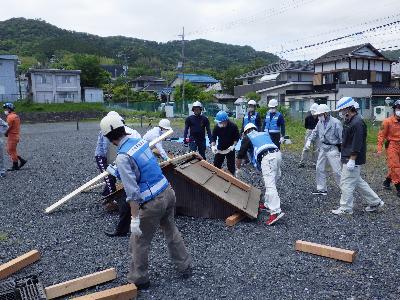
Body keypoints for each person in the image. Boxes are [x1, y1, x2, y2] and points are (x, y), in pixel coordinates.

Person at [100, 114, 192, 289]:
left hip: (152, 202)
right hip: (167, 192)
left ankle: (139, 279)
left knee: (139, 241)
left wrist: (134, 219)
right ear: (123, 127)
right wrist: (120, 171)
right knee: (171, 230)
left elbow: (132, 192)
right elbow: (143, 168)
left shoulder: (122, 157)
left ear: (109, 138)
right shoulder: (139, 142)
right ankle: (185, 266)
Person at [332, 97, 384, 215]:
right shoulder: (349, 121)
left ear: (350, 108)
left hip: (352, 158)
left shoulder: (357, 122)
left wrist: (352, 159)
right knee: (357, 182)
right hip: (347, 156)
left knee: (346, 183)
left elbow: (357, 142)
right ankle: (375, 202)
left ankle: (346, 208)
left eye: (343, 109)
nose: (341, 112)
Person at [99, 111, 141, 238]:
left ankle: (125, 229)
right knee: (126, 198)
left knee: (127, 198)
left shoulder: (122, 137)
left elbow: (124, 157)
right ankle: (123, 229)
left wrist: (135, 222)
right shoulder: (132, 133)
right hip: (138, 168)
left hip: (136, 171)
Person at [235, 123, 284, 225]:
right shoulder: (264, 134)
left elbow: (240, 154)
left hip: (268, 157)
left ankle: (275, 212)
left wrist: (238, 168)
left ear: (246, 132)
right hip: (277, 154)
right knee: (274, 178)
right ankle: (267, 203)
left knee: (269, 185)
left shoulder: (248, 137)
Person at [305, 104, 342, 196]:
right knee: (319, 168)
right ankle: (321, 189)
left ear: (326, 113)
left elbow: (342, 138)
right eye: (318, 115)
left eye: (320, 114)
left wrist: (342, 152)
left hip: (333, 148)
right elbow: (315, 132)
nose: (319, 116)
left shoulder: (336, 123)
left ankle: (344, 189)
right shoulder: (320, 122)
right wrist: (309, 140)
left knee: (337, 171)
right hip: (323, 148)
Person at [377, 99, 400, 197]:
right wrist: (379, 148)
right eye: (398, 108)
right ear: (394, 109)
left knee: (395, 166)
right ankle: (399, 187)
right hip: (392, 146)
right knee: (395, 166)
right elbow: (381, 135)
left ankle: (387, 181)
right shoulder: (387, 121)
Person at [211, 111, 240, 175]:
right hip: (220, 147)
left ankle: (232, 177)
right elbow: (213, 137)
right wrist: (213, 146)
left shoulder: (233, 126)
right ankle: (215, 176)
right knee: (216, 164)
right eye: (218, 122)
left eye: (220, 122)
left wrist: (233, 146)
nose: (219, 123)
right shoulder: (217, 127)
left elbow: (236, 138)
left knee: (231, 165)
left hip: (230, 148)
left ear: (225, 121)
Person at [3, 103, 27, 171]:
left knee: (10, 150)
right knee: (12, 150)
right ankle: (22, 160)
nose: (5, 110)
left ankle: (15, 166)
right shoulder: (16, 116)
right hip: (16, 135)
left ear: (10, 109)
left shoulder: (10, 117)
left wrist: (6, 133)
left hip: (12, 136)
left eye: (6, 109)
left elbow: (8, 127)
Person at [299, 103, 319, 168]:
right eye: (312, 111)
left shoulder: (319, 118)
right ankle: (302, 162)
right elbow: (306, 126)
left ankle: (314, 163)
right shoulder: (308, 117)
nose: (313, 113)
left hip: (317, 133)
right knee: (306, 147)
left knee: (316, 148)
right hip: (309, 131)